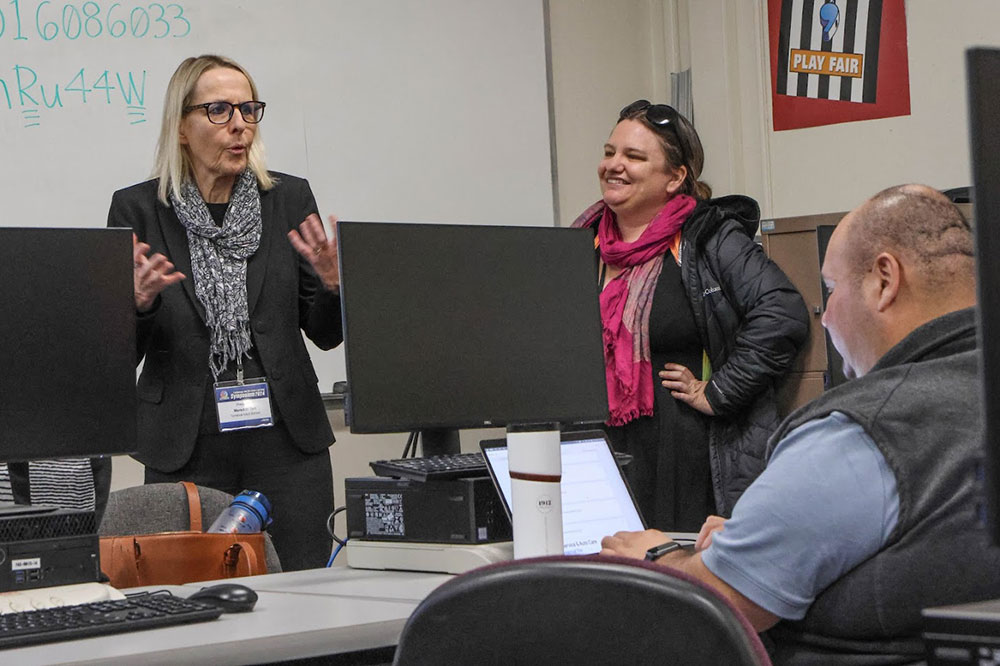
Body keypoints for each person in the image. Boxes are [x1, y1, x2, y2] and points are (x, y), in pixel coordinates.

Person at [601, 184, 1000, 664]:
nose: (826, 317)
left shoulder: (861, 431)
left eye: (831, 290)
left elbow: (723, 599)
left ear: (884, 280)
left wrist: (656, 555)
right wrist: (765, 536)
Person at [107, 55, 342, 571]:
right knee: (192, 593)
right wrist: (138, 304)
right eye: (218, 110)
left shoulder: (287, 199)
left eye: (248, 109)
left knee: (302, 592)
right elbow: (118, 353)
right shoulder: (139, 210)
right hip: (186, 443)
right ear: (182, 128)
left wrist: (331, 287)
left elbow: (326, 334)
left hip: (287, 441)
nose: (240, 125)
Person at [572, 100, 808, 531]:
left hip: (681, 456)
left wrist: (718, 391)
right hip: (593, 453)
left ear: (675, 178)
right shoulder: (578, 241)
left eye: (634, 157)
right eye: (610, 152)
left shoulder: (708, 238)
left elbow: (782, 312)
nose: (614, 165)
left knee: (673, 581)